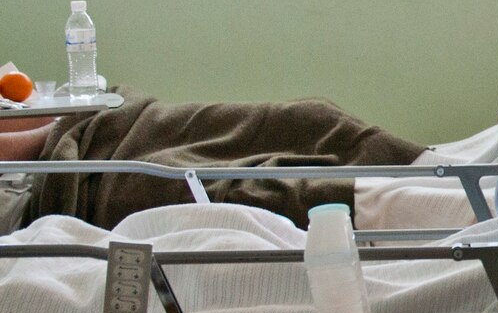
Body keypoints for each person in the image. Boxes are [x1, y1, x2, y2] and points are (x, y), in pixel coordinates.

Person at [0, 86, 428, 233]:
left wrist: (70, 124)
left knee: (300, 119)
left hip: (82, 141)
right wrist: (58, 135)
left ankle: (430, 165)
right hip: (52, 189)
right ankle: (404, 204)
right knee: (224, 188)